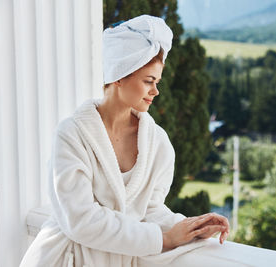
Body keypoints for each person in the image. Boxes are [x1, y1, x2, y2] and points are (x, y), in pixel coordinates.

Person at [19, 14, 229, 267]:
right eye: (148, 81)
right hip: (65, 258)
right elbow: (80, 219)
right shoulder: (72, 134)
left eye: (157, 81)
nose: (156, 91)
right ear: (119, 75)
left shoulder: (158, 143)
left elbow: (150, 211)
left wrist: (192, 227)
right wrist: (163, 240)